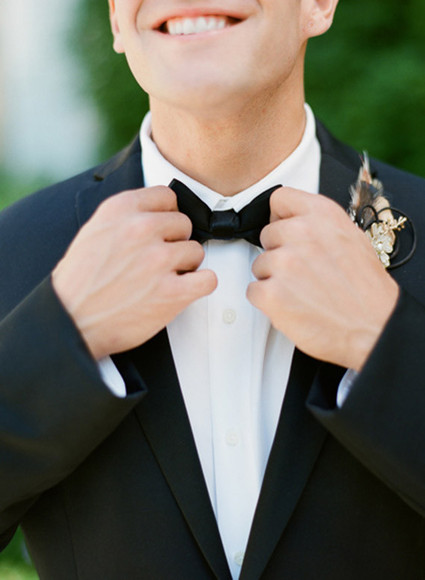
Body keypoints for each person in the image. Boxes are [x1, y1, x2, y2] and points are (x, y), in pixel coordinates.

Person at [0, 0, 424, 578]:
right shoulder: (17, 249)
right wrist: (62, 335)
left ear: (319, 5)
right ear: (118, 18)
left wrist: (385, 344)